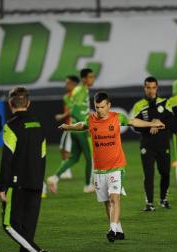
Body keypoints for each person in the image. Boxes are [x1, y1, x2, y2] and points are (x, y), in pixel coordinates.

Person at [59, 92, 165, 242]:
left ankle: (112, 229)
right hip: (99, 170)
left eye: (102, 107)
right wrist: (68, 127)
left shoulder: (117, 117)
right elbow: (82, 125)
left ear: (108, 105)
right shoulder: (91, 119)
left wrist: (152, 124)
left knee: (114, 198)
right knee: (107, 203)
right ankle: (119, 230)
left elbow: (133, 121)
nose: (100, 110)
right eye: (97, 107)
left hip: (116, 166)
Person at [0, 87, 52, 252]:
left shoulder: (11, 125)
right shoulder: (39, 124)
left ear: (10, 103)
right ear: (28, 103)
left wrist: (2, 187)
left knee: (9, 225)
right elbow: (43, 156)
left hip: (17, 184)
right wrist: (39, 181)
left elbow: (7, 158)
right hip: (36, 184)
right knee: (27, 230)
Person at [131, 76, 177, 211]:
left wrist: (160, 124)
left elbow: (172, 122)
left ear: (157, 88)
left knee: (165, 173)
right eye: (148, 88)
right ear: (144, 88)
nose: (151, 90)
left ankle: (163, 199)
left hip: (163, 144)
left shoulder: (165, 103)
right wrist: (150, 125)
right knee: (149, 175)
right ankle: (149, 203)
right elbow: (134, 126)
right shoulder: (138, 105)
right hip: (147, 145)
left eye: (153, 87)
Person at [47, 68, 95, 193]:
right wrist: (85, 125)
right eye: (90, 77)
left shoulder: (78, 90)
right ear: (84, 79)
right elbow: (74, 110)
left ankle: (55, 177)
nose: (92, 79)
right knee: (90, 158)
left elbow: (76, 108)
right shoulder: (81, 91)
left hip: (74, 129)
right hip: (81, 130)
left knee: (74, 158)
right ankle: (87, 185)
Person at [54, 75, 80, 180]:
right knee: (63, 148)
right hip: (70, 125)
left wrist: (62, 116)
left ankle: (66, 171)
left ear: (73, 84)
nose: (66, 85)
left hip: (73, 126)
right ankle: (66, 170)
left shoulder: (76, 95)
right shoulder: (69, 95)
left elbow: (74, 109)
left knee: (66, 149)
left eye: (68, 83)